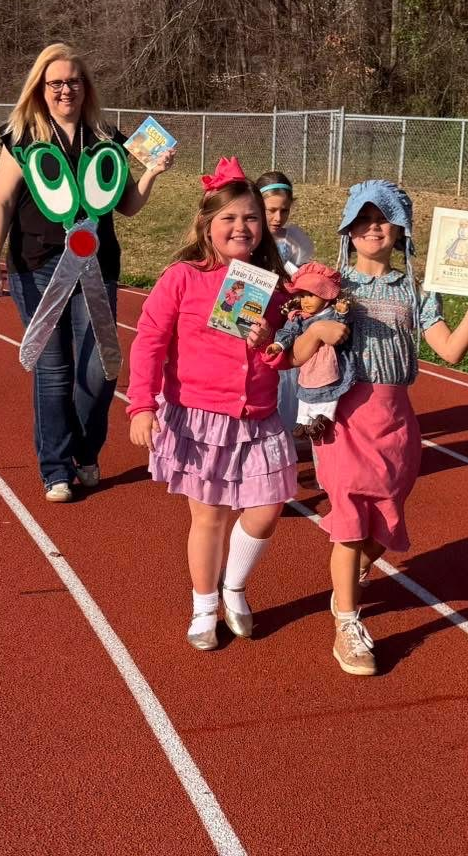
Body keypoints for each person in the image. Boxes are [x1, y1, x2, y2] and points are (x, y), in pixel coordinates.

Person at [290, 179, 468, 676]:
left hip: (396, 416)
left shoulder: (415, 288)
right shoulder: (330, 284)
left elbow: (450, 350)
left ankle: (353, 577)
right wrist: (317, 327)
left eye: (382, 219)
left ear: (401, 230)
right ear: (348, 229)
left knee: (385, 517)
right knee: (349, 515)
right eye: (363, 220)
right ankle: (347, 624)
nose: (372, 228)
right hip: (342, 412)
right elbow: (294, 353)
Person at [0, 42, 175, 502]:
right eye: (56, 83)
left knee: (100, 368)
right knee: (52, 370)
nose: (65, 90)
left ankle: (86, 453)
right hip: (36, 266)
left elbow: (126, 206)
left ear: (86, 87)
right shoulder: (21, 136)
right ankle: (55, 469)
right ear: (40, 88)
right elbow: (2, 201)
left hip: (96, 266)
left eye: (73, 81)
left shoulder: (108, 137)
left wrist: (150, 174)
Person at [127, 157, 295, 651]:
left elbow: (285, 356)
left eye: (250, 217)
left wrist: (273, 342)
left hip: (259, 416)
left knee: (267, 508)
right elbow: (150, 340)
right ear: (207, 226)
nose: (241, 226)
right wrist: (142, 404)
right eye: (229, 218)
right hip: (199, 416)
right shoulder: (183, 277)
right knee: (210, 517)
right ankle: (204, 607)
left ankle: (235, 586)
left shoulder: (274, 285)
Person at [265, 262, 352, 441]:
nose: (305, 301)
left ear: (326, 297)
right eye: (302, 295)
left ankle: (322, 418)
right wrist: (278, 345)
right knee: (304, 389)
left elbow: (341, 327)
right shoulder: (298, 317)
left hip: (329, 361)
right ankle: (304, 421)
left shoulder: (331, 314)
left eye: (311, 295)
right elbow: (288, 333)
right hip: (309, 362)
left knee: (329, 388)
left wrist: (342, 313)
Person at [256, 171, 314, 432]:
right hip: (254, 312)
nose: (278, 218)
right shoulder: (247, 234)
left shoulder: (296, 241)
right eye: (271, 210)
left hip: (282, 317)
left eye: (284, 211)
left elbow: (303, 279)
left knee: (279, 372)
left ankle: (277, 427)